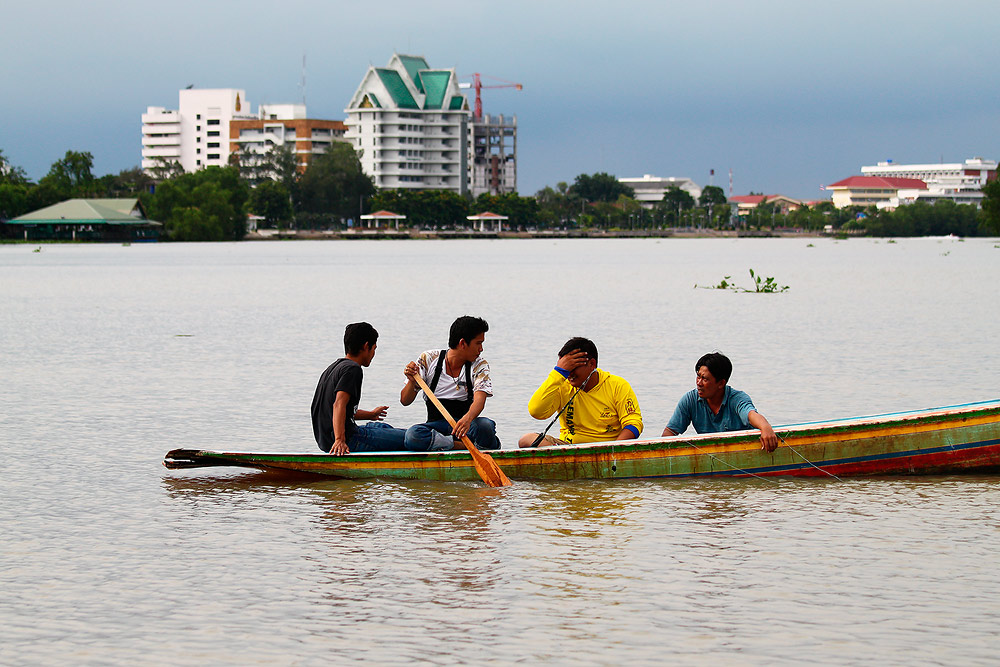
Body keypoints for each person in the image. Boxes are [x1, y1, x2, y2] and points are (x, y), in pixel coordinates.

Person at [518, 337, 642, 447]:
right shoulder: (561, 384)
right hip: (568, 448)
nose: (569, 374)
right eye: (566, 368)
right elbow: (537, 412)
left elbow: (634, 424)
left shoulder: (617, 385)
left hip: (607, 447)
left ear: (592, 364)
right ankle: (562, 458)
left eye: (573, 367)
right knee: (526, 440)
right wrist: (558, 373)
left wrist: (614, 449)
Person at [400, 315, 500, 451]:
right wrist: (412, 380)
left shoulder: (479, 365)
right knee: (413, 435)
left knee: (485, 426)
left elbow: (479, 401)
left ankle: (455, 445)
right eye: (478, 343)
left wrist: (467, 419)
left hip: (466, 427)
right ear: (463, 343)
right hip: (438, 429)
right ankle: (464, 447)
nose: (481, 349)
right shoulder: (429, 359)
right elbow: (405, 400)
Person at [311, 322, 407, 455]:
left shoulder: (333, 368)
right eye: (374, 349)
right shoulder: (353, 369)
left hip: (326, 441)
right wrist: (340, 440)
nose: (373, 354)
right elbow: (339, 404)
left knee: (382, 427)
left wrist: (371, 415)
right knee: (410, 438)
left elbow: (337, 411)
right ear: (366, 346)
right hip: (349, 440)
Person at [661, 352, 779, 452]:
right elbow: (670, 431)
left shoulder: (737, 399)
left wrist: (765, 428)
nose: (699, 383)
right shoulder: (690, 400)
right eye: (698, 377)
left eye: (705, 379)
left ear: (721, 383)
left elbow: (751, 415)